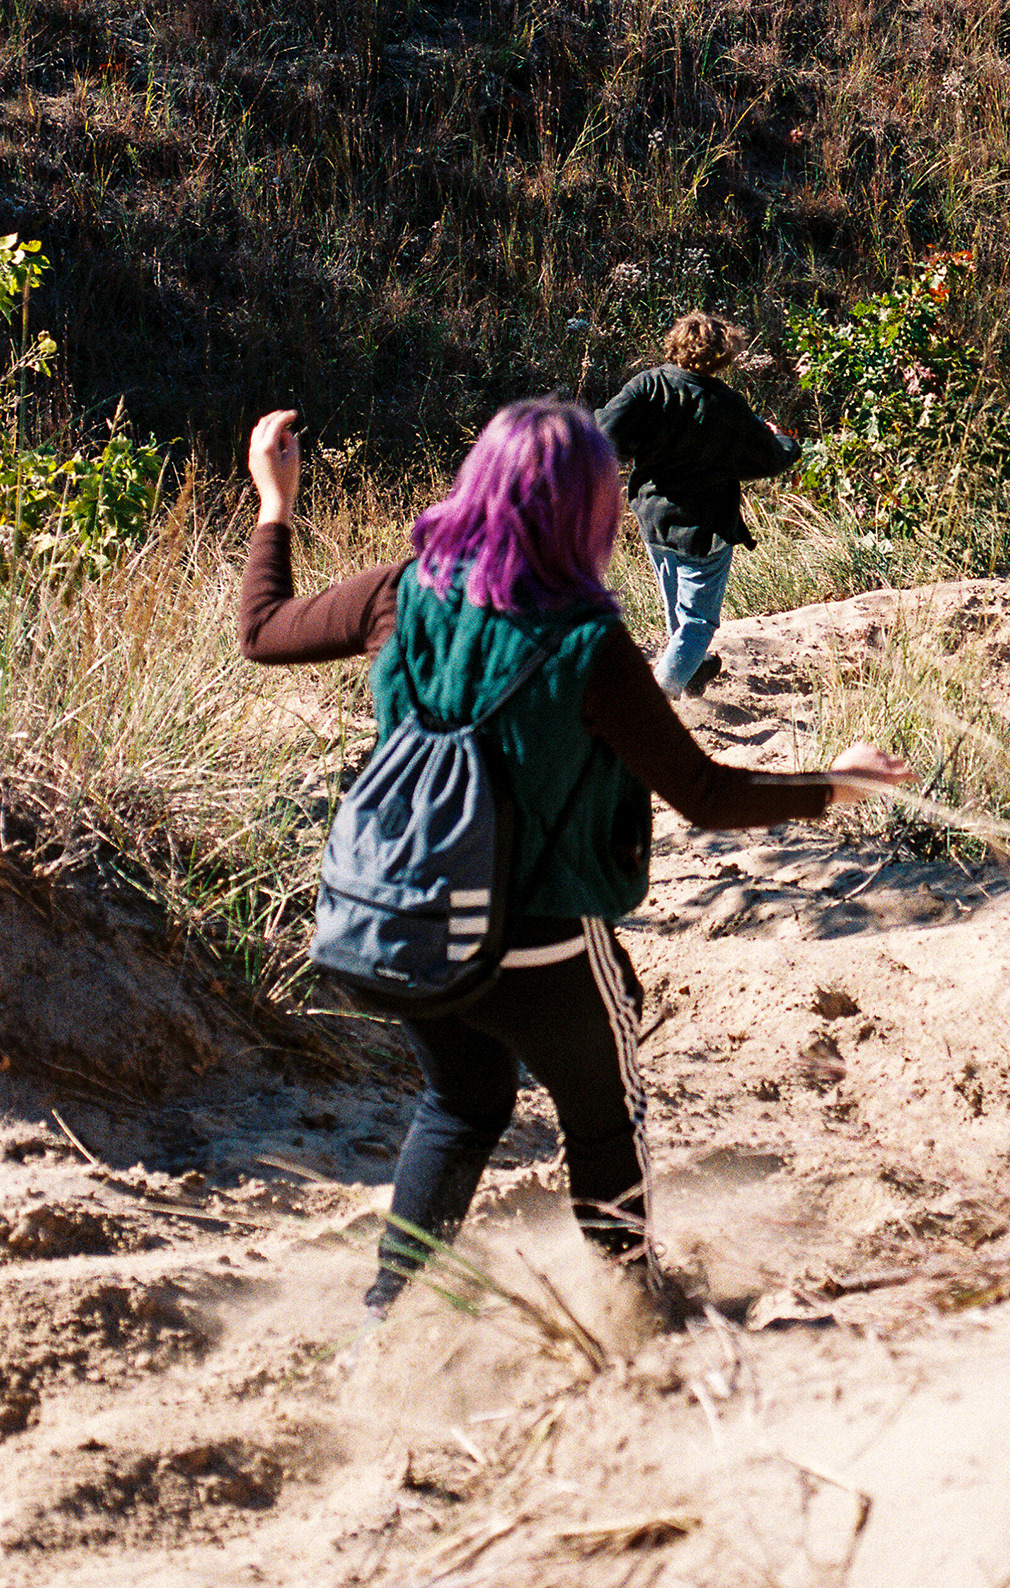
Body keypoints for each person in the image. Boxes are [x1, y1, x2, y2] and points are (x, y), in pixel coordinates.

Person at [238, 398, 904, 1314]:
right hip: (537, 942)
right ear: (590, 511)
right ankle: (630, 1307)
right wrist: (837, 783)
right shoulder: (588, 644)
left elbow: (262, 630)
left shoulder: (405, 594)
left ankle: (383, 1321)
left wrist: (275, 504)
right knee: (605, 1114)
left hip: (400, 927)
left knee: (463, 1104)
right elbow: (705, 797)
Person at [596, 314, 800, 700]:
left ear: (676, 344)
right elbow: (768, 459)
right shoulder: (726, 405)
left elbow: (604, 436)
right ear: (725, 355)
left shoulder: (649, 384)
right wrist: (785, 442)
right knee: (698, 622)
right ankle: (655, 703)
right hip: (703, 528)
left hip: (652, 516)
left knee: (678, 601)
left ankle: (693, 669)